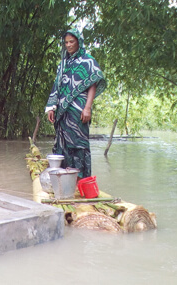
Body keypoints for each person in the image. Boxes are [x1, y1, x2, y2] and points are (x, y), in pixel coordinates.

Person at [45, 28, 107, 179]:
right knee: (63, 144)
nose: (69, 45)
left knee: (79, 144)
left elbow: (93, 84)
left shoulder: (88, 61)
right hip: (62, 111)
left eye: (72, 41)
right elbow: (57, 85)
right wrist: (51, 107)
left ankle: (81, 180)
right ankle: (65, 180)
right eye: (66, 42)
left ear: (79, 42)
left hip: (79, 110)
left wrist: (87, 107)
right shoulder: (63, 63)